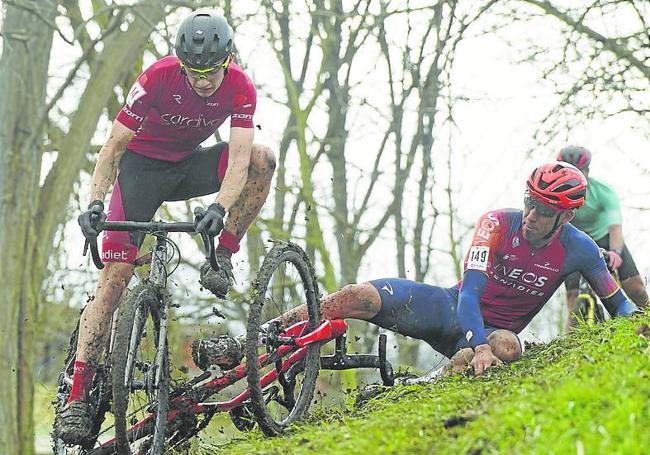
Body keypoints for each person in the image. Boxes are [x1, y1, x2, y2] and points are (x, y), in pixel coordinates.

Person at [55, 10, 276, 444]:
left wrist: (219, 207)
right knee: (114, 280)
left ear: (227, 60)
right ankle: (78, 397)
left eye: (212, 71)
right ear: (180, 62)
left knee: (263, 159)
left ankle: (224, 255)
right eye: (195, 72)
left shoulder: (241, 87)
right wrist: (95, 203)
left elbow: (238, 158)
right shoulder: (157, 78)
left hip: (190, 166)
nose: (204, 81)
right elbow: (112, 149)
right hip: (141, 171)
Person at [203, 161, 638, 380]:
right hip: (449, 308)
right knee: (356, 295)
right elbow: (469, 294)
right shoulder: (498, 224)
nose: (531, 215)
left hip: (497, 333)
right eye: (529, 202)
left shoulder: (580, 250)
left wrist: (639, 330)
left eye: (543, 211)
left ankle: (422, 386)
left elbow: (619, 306)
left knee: (507, 345)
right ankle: (254, 340)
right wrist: (477, 342)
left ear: (566, 217)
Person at [556, 146, 648, 331]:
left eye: (578, 172)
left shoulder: (604, 192)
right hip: (574, 244)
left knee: (636, 288)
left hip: (604, 239)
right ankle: (569, 342)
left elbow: (615, 228)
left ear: (587, 171)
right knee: (573, 300)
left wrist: (615, 253)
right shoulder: (554, 194)